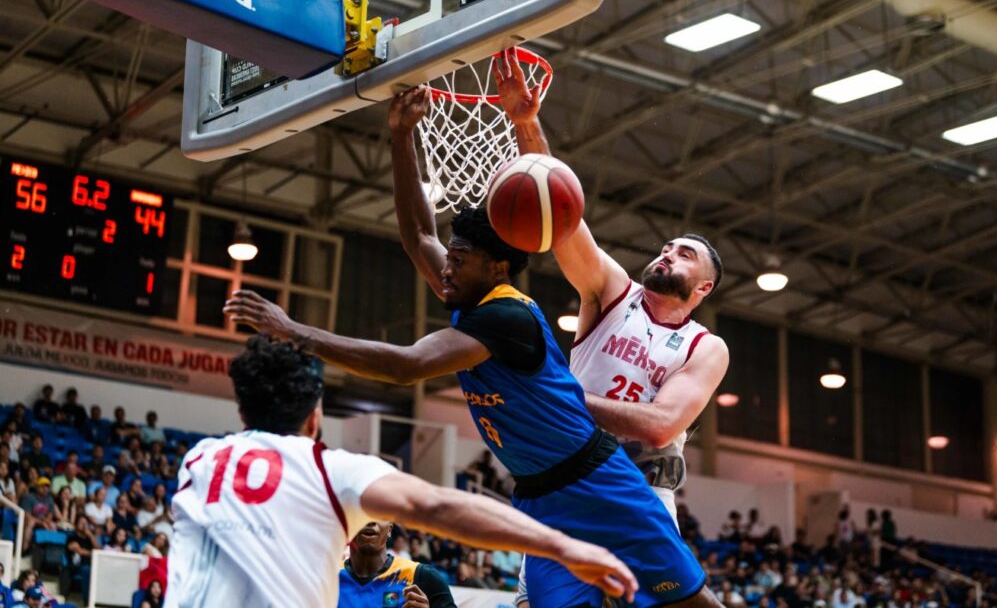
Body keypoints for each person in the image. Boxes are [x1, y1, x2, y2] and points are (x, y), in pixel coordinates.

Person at [222, 101, 709, 608]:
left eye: (459, 260)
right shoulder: (470, 293)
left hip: (599, 484)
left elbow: (406, 366)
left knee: (692, 605)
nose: (446, 269)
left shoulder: (507, 316)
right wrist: (400, 133)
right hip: (540, 496)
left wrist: (292, 329)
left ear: (497, 267)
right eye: (449, 258)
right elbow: (418, 236)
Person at [165, 336, 636, 607]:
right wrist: (564, 545)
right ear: (315, 418)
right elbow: (435, 504)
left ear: (242, 415)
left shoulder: (198, 461)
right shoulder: (330, 469)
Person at [492, 49, 728, 517]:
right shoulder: (612, 291)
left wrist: (557, 390)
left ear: (703, 289)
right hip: (565, 477)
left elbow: (661, 427)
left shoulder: (705, 347)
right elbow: (561, 211)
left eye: (685, 256)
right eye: (665, 248)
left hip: (640, 490)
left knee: (652, 595)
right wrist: (525, 124)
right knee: (535, 596)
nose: (667, 255)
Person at [338, 521, 456, 608]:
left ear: (389, 529)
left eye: (379, 515)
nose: (370, 521)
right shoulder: (330, 576)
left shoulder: (421, 575)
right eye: (362, 514)